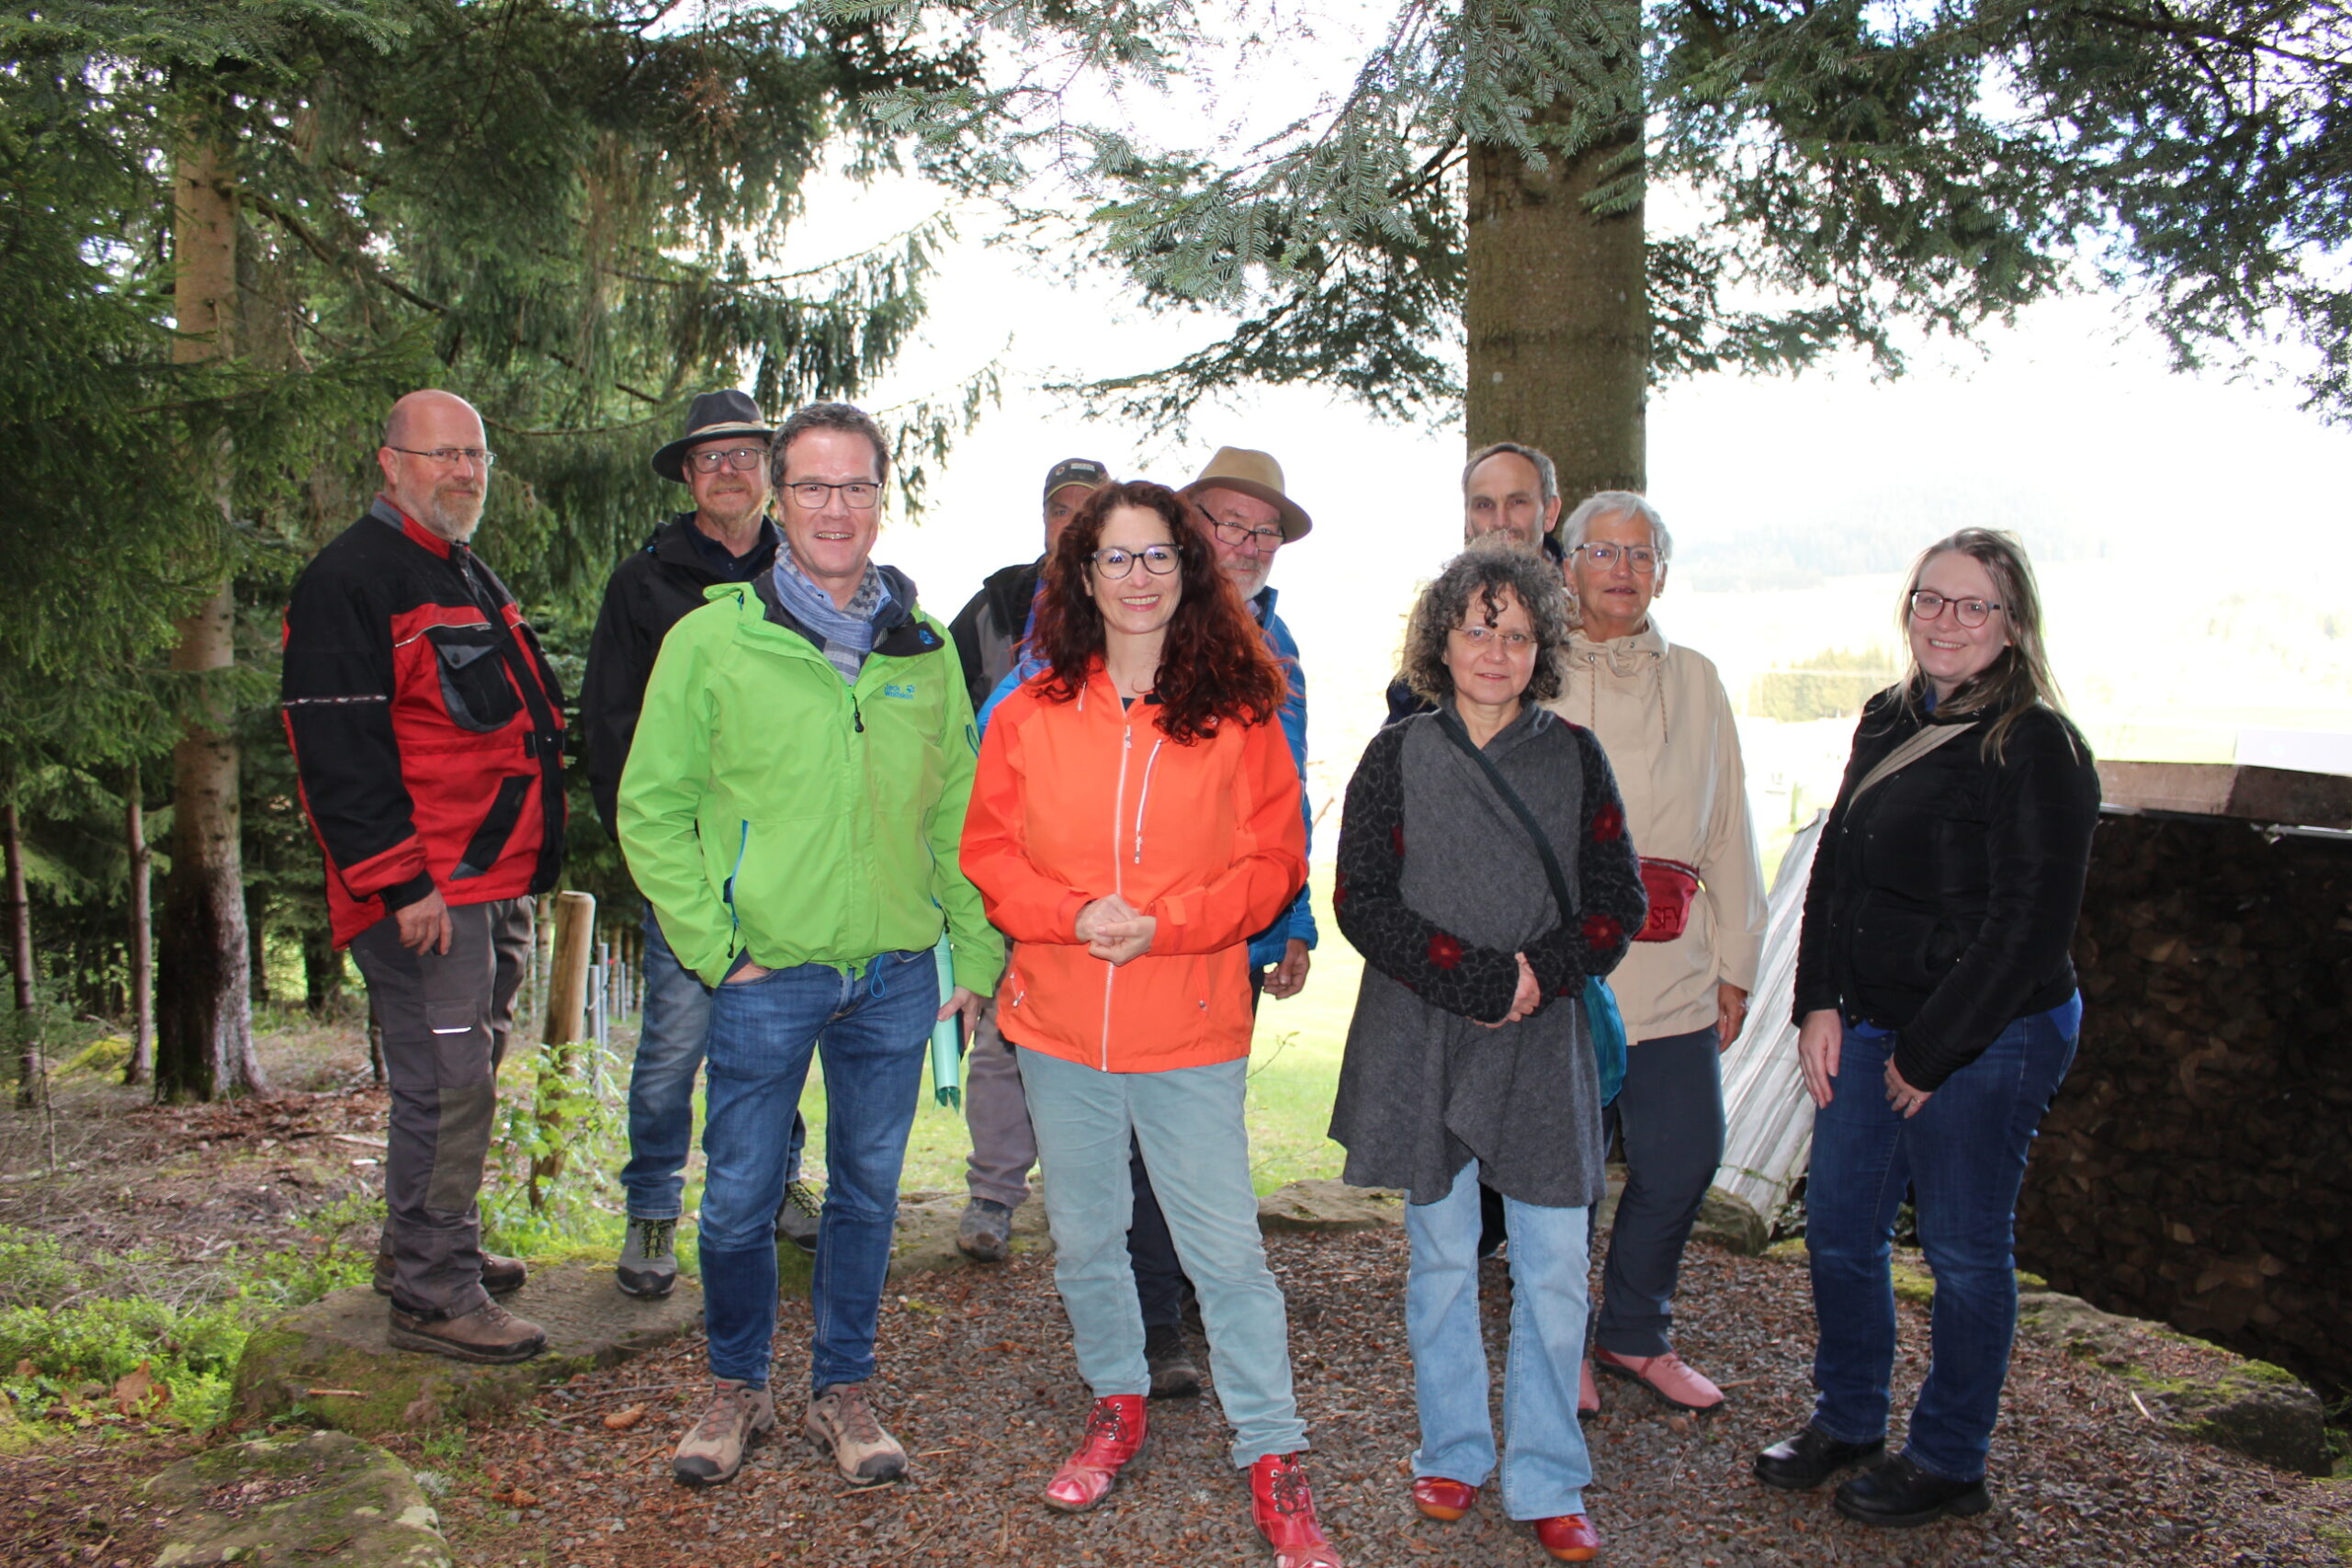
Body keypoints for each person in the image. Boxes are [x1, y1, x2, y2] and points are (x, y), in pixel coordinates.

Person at [617, 401, 1001, 1489]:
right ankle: (736, 1387)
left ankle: (844, 1390)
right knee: (738, 1196)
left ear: (883, 499)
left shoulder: (923, 655)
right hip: (764, 972)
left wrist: (972, 958)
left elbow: (956, 819)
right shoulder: (711, 638)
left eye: (857, 487)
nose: (836, 508)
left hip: (892, 976)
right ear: (779, 501)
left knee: (868, 1193)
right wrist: (713, 945)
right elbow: (652, 806)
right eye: (814, 487)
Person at [958, 480, 1341, 1568]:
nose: (1138, 579)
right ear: (1082, 577)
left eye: (1157, 557)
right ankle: (1116, 1402)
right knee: (1085, 1240)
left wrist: (1168, 926)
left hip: (1190, 1023)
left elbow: (1274, 864)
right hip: (1059, 1024)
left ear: (1190, 569)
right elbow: (990, 856)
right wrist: (1072, 916)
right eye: (1115, 559)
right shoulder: (1029, 711)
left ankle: (1273, 1454)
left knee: (1225, 1256)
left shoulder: (1242, 709)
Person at [1756, 528, 2098, 1529]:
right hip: (1869, 1023)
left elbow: (2030, 927)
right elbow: (1838, 869)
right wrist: (1816, 999)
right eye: (1929, 601)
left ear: (2014, 623)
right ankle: (1850, 1418)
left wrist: (1929, 1052)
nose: (1945, 622)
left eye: (1972, 605)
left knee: (1961, 1250)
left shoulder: (2037, 747)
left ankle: (1950, 1456)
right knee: (1839, 1235)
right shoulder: (1888, 715)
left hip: (1991, 1035)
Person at [1329, 538, 1646, 1564]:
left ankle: (1550, 1476)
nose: (1496, 650)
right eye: (1478, 627)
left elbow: (1618, 905)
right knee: (1441, 1261)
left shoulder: (1573, 756)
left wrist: (1532, 977)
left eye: (1516, 632)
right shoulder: (1397, 755)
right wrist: (1470, 979)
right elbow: (1361, 901)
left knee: (1555, 1267)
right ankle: (1454, 1451)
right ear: (1442, 638)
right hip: (1425, 1029)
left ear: (1540, 645)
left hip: (1540, 1036)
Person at [281, 389, 566, 1364]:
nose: (461, 472)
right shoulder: (352, 579)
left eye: (474, 455)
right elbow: (336, 751)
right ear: (388, 462)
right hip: (424, 895)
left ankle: (424, 1248)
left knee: (467, 1072)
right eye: (439, 454)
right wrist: (401, 885)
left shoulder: (456, 567)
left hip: (488, 882)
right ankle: (433, 1295)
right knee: (446, 1083)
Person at [580, 390, 818, 1301]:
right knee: (674, 1048)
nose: (728, 469)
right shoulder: (643, 584)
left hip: (785, 865)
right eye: (709, 456)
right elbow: (610, 727)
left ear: (770, 469)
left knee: (777, 1038)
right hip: (689, 861)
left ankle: (779, 1187)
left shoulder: (804, 571)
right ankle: (649, 1209)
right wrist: (655, 860)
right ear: (686, 475)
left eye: (744, 453)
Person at [1547, 491, 1766, 1417]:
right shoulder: (1533, 668)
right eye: (1603, 552)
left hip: (1675, 969)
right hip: (1564, 973)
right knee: (1562, 1177)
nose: (1623, 571)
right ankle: (1558, 1347)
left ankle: (1634, 1331)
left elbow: (1728, 827)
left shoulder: (1699, 680)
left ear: (1662, 573)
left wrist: (1737, 962)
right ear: (1568, 567)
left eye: (1641, 556)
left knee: (1681, 1161)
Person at [947, 456, 1110, 1267]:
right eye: (1061, 508)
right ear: (1042, 519)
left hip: (1109, 869)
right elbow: (949, 731)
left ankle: (1092, 1207)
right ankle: (994, 1193)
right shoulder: (991, 610)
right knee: (1004, 1032)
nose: (1073, 523)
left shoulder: (1139, 603)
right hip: (1010, 857)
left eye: (1092, 510)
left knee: (1098, 1037)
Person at [1385, 441, 1566, 725]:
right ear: (1467, 520)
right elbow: (1408, 713)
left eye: (1517, 502)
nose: (1500, 521)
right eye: (1484, 505)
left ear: (1551, 512)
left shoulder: (1586, 604)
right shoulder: (1441, 609)